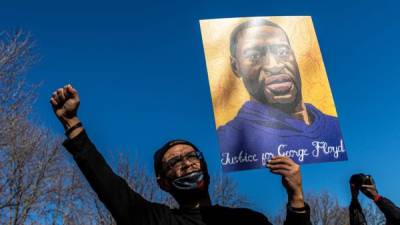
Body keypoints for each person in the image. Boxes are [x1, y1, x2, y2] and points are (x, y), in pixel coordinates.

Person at [50, 84, 312, 225]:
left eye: (192, 156)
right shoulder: (155, 220)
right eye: (174, 162)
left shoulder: (247, 220)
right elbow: (109, 185)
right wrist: (72, 124)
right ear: (162, 182)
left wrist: (296, 198)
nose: (186, 163)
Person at [217, 18, 346, 171]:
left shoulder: (336, 126)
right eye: (254, 57)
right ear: (235, 66)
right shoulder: (229, 139)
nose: (274, 65)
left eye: (283, 52)